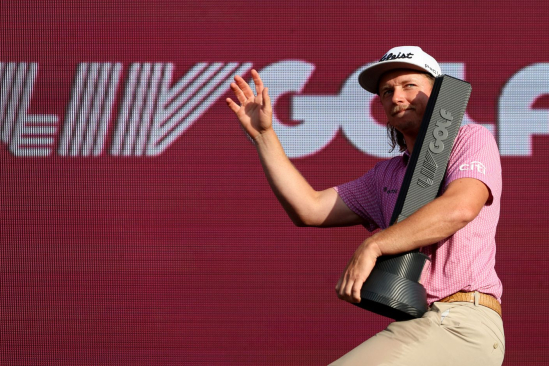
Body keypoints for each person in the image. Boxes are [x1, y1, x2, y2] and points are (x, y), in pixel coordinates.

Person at [226, 46, 504, 365]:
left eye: (409, 85)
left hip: (461, 322)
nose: (397, 97)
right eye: (387, 91)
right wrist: (264, 136)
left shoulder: (470, 139)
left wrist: (374, 245)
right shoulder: (385, 175)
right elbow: (311, 208)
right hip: (419, 324)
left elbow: (460, 207)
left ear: (439, 92)